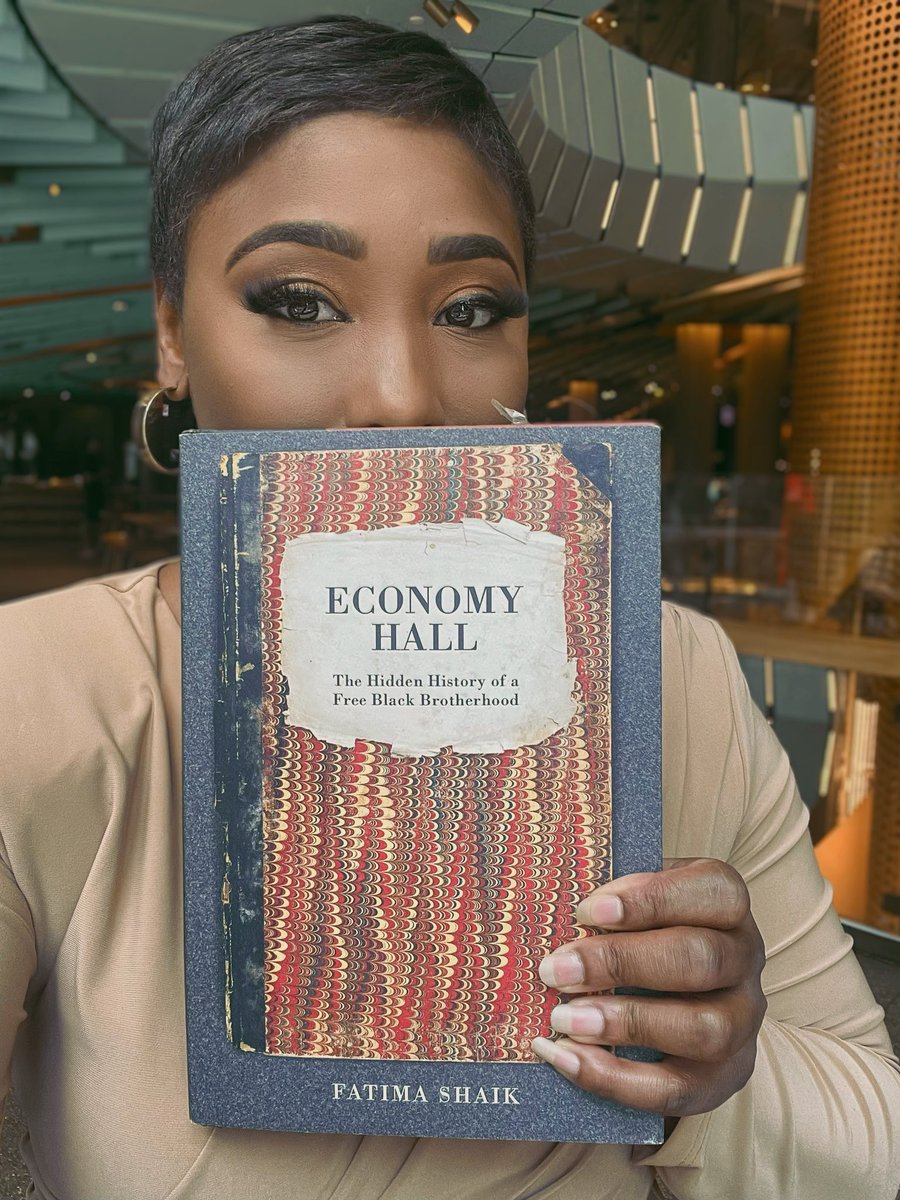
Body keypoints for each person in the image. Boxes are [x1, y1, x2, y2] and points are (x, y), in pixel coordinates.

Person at [0, 16, 897, 1200]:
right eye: (300, 300)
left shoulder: (672, 670)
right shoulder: (44, 692)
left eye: (472, 309)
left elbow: (878, 1138)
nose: (401, 398)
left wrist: (707, 1069)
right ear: (172, 332)